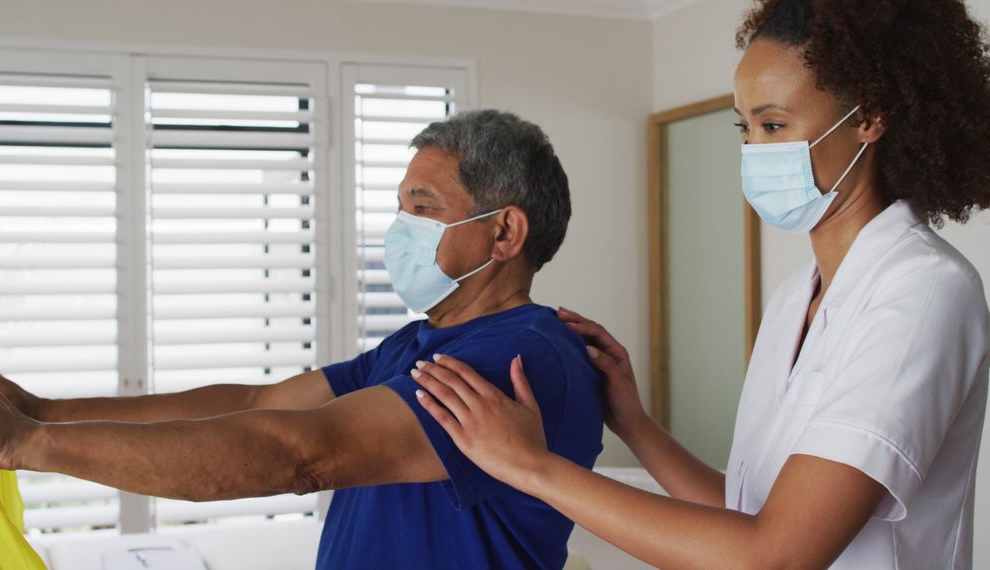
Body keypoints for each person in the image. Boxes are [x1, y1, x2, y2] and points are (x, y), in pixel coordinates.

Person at [410, 1, 990, 568]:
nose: (752, 151)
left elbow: (776, 554)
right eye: (746, 127)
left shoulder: (924, 293)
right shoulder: (796, 299)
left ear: (870, 116)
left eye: (774, 124)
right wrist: (635, 425)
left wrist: (532, 467)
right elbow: (744, 515)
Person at [0, 110, 605, 569]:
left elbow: (299, 455)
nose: (399, 231)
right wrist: (41, 410)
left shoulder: (524, 356)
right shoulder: (418, 344)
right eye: (399, 209)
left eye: (421, 210)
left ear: (505, 232)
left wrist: (32, 446)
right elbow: (259, 401)